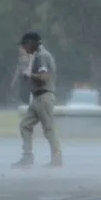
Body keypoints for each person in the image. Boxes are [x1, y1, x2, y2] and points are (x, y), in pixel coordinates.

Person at [12, 31, 62, 168]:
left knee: (49, 128)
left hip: (44, 96)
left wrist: (30, 74)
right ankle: (27, 156)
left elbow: (44, 77)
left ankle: (57, 158)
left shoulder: (41, 56)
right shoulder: (37, 55)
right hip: (37, 97)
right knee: (25, 125)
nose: (23, 48)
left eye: (24, 45)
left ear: (31, 43)